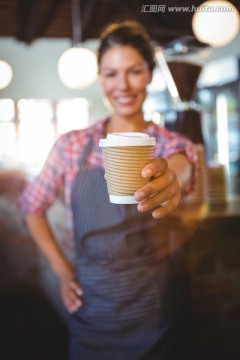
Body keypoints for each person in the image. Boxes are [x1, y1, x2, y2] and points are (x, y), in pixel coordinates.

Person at [19, 21, 198, 360]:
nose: (123, 85)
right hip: (93, 303)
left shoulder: (171, 145)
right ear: (100, 78)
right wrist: (60, 268)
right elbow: (31, 206)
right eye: (111, 73)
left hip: (154, 306)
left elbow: (181, 166)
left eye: (134, 71)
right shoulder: (72, 146)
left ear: (149, 75)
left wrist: (172, 178)